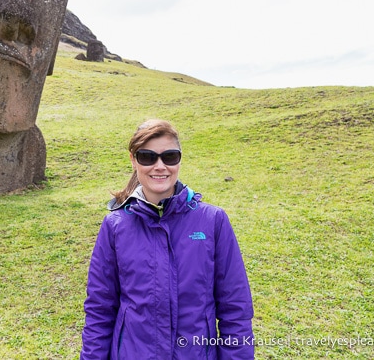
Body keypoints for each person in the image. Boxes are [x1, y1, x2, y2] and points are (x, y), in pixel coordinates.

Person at [81, 119, 254, 359]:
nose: (159, 166)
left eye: (169, 156)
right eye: (147, 157)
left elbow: (235, 309)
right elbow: (100, 310)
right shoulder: (115, 226)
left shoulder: (213, 221)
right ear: (133, 160)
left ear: (180, 160)